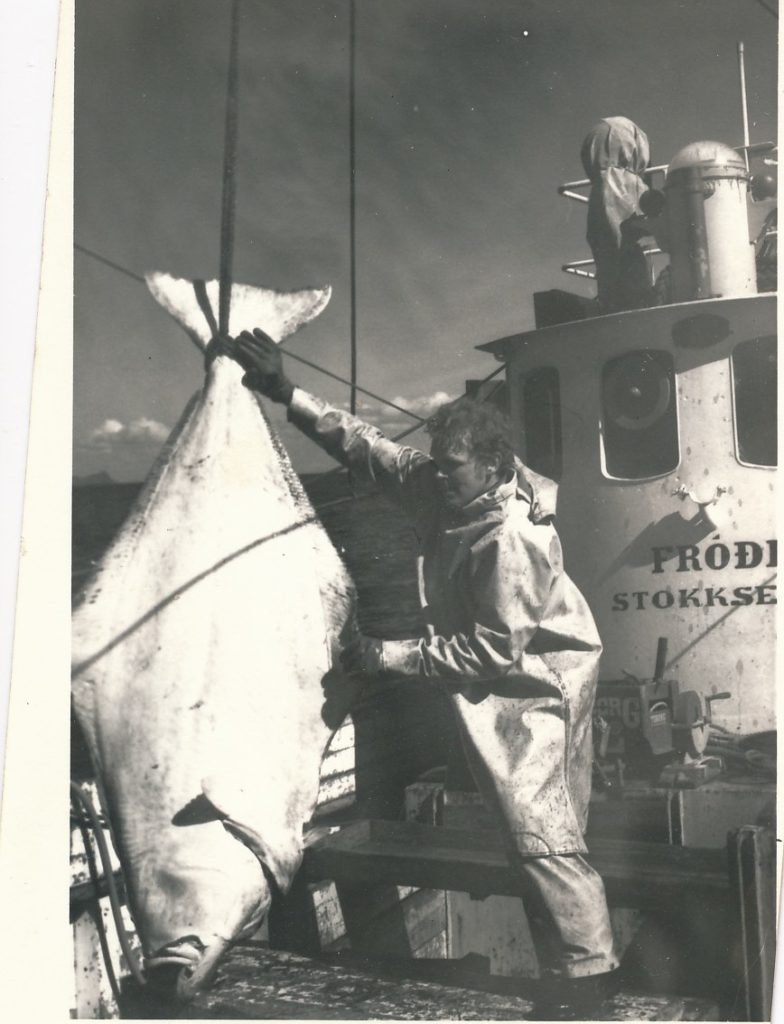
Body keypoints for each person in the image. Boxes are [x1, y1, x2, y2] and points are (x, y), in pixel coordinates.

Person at [231, 328, 619, 1019]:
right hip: (496, 679)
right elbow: (369, 449)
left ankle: (588, 984)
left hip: (541, 685)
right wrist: (286, 392)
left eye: (453, 468)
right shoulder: (446, 492)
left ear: (493, 466)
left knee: (544, 832)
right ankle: (566, 967)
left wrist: (389, 655)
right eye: (437, 466)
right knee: (527, 833)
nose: (438, 477)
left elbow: (490, 651)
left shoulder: (512, 538)